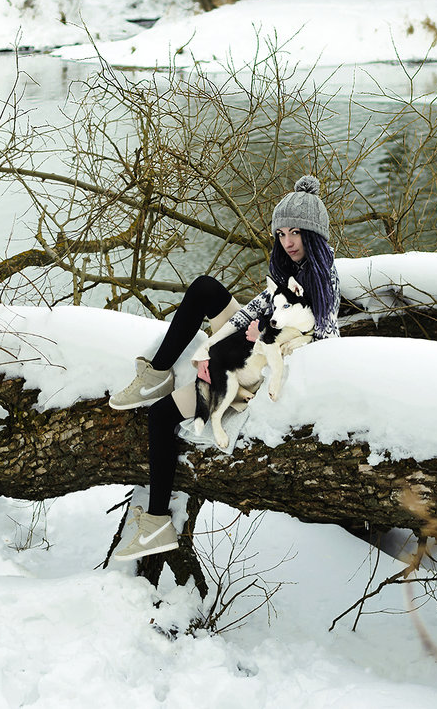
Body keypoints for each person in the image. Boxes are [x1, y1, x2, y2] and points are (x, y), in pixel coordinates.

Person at [108, 176, 342, 561]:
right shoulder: (285, 269)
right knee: (204, 288)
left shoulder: (323, 276)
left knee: (161, 416)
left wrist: (255, 348)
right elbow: (256, 308)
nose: (288, 241)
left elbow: (324, 338)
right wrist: (220, 340)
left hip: (254, 369)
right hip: (246, 344)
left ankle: (156, 524)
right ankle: (156, 372)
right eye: (282, 233)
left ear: (313, 234)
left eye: (296, 232)